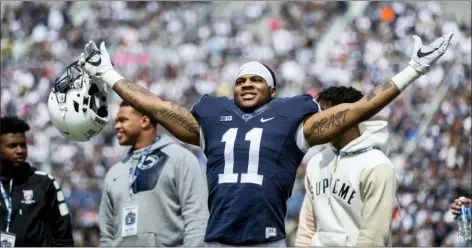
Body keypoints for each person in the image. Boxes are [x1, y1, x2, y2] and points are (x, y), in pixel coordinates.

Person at [77, 31, 453, 246]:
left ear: (273, 91)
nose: (247, 84)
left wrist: (413, 69)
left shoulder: (293, 122)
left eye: (256, 79)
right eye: (241, 79)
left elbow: (357, 111)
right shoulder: (212, 119)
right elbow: (157, 106)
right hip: (218, 239)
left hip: (267, 240)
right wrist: (109, 73)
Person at [295, 86, 398, 246]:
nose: (319, 121)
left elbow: (372, 238)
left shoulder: (377, 166)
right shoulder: (316, 162)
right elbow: (306, 230)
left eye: (326, 113)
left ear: (350, 115)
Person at [99, 101, 208, 246]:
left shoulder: (180, 159)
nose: (117, 126)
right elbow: (107, 235)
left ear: (144, 121)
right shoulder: (114, 173)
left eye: (123, 120)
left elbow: (197, 220)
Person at [0, 116, 74, 247]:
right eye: (12, 146)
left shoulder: (44, 183)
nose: (20, 151)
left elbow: (64, 236)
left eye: (23, 145)